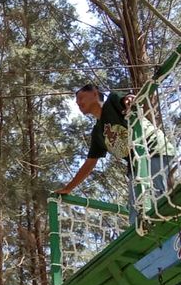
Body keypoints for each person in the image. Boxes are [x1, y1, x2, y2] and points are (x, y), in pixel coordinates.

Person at [56, 84, 174, 223]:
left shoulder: (112, 101)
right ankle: (138, 235)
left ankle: (161, 225)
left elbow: (125, 99)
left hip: (152, 148)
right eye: (76, 103)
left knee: (153, 192)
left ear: (95, 93)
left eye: (81, 98)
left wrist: (129, 100)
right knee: (135, 204)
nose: (79, 103)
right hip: (135, 162)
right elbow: (89, 163)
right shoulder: (98, 132)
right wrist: (68, 188)